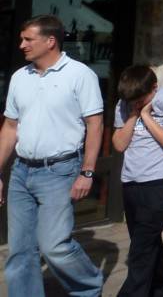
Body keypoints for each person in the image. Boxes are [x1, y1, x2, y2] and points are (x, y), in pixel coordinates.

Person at [0, 15, 105, 296]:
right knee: (20, 249)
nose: (22, 45)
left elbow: (95, 125)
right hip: (21, 172)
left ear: (50, 41)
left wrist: (87, 172)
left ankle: (89, 287)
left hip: (60, 171)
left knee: (54, 246)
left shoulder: (80, 75)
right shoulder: (20, 77)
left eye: (28, 39)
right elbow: (10, 127)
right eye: (21, 39)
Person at [112, 65, 163, 297]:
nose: (135, 103)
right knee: (146, 242)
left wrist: (146, 115)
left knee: (140, 251)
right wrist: (133, 115)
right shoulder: (125, 104)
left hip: (157, 184)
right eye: (132, 101)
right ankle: (162, 289)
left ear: (154, 87)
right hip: (131, 182)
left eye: (140, 100)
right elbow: (119, 144)